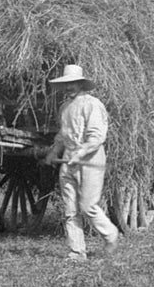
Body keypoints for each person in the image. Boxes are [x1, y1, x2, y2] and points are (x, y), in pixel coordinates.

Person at [43, 64, 121, 260]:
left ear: (81, 84)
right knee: (70, 209)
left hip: (90, 160)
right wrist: (54, 152)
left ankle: (111, 234)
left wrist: (80, 152)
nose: (69, 87)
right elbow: (62, 135)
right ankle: (77, 251)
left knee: (88, 206)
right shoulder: (65, 107)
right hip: (68, 160)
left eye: (73, 83)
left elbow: (96, 136)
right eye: (66, 84)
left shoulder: (92, 104)